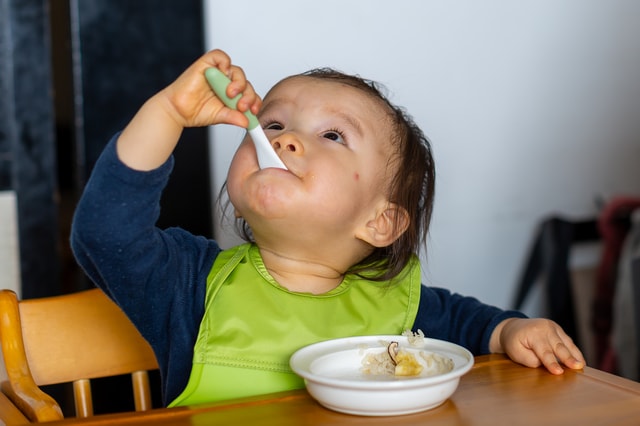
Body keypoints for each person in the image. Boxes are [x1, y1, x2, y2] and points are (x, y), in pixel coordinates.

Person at [71, 49, 585, 407]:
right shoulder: (187, 284)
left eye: (332, 134)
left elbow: (477, 328)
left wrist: (515, 328)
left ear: (381, 221)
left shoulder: (402, 308)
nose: (287, 138)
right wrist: (168, 113)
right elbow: (105, 231)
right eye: (272, 125)